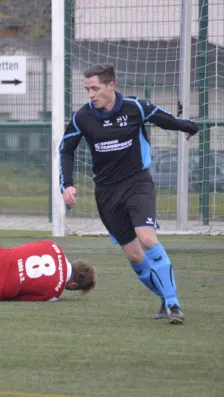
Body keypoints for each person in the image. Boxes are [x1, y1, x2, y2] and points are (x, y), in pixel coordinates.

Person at [59, 63, 199, 324]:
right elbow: (66, 150)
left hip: (137, 184)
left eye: (95, 88)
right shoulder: (82, 117)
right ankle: (163, 296)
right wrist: (66, 184)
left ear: (111, 86)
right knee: (135, 256)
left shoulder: (135, 107)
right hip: (106, 193)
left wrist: (189, 126)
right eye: (87, 89)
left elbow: (165, 119)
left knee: (147, 239)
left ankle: (173, 303)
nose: (90, 94)